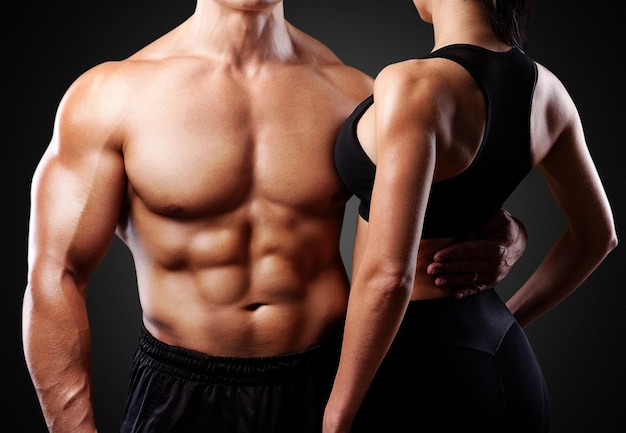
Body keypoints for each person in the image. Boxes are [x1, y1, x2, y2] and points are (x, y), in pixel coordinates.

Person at [22, 1, 530, 432]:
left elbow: (440, 215)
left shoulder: (355, 93)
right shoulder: (111, 96)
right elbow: (55, 274)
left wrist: (511, 237)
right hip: (178, 387)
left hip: (326, 383)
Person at [324, 0, 618, 432]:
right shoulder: (548, 91)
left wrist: (338, 414)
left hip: (415, 366)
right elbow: (599, 236)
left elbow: (389, 277)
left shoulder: (412, 86)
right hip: (497, 351)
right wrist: (506, 322)